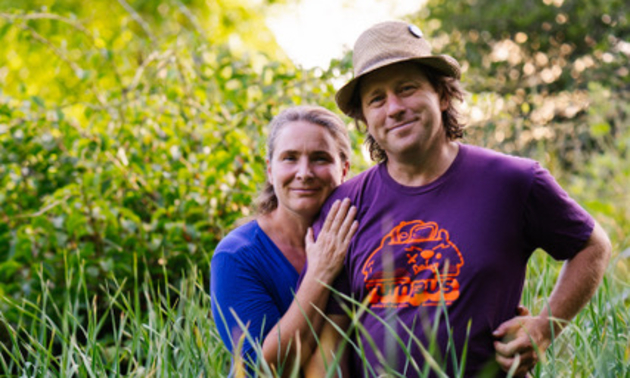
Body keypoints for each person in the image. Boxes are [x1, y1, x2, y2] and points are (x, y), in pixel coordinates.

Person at [306, 21, 612, 378]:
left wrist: (542, 328)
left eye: (407, 89)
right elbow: (334, 339)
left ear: (443, 95)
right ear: (365, 119)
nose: (394, 108)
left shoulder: (513, 181)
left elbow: (593, 246)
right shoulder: (344, 208)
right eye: (377, 99)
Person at [210, 105, 358, 376]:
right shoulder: (237, 256)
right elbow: (264, 369)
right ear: (269, 169)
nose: (304, 172)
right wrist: (320, 273)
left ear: (344, 168)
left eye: (320, 158)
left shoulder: (361, 238)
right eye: (290, 158)